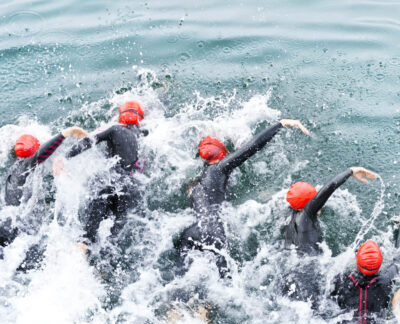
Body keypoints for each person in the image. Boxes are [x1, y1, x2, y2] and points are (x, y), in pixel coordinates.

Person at [178, 118, 309, 277]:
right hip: (214, 231)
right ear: (222, 154)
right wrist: (280, 124)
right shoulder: (219, 168)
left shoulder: (196, 181)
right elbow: (251, 147)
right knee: (224, 283)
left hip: (191, 231)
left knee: (185, 278)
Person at [61, 101, 148, 247]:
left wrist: (65, 157)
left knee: (89, 233)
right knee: (112, 237)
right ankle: (102, 267)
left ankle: (81, 249)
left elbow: (89, 141)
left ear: (121, 117)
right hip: (129, 187)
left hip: (108, 181)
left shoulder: (115, 130)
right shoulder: (143, 136)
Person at [330, 207, 400, 324]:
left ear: (357, 261)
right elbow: (399, 256)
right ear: (380, 264)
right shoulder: (387, 280)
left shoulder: (342, 279)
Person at [1, 128, 88, 251]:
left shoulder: (14, 171)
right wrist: (65, 134)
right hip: (16, 231)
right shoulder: (25, 166)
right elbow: (40, 155)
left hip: (7, 225)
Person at [283, 166, 379, 254]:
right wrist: (351, 171)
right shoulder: (307, 214)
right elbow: (329, 187)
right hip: (312, 267)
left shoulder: (291, 214)